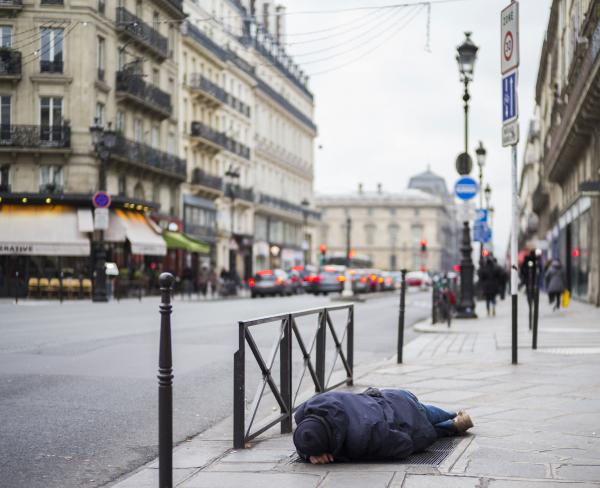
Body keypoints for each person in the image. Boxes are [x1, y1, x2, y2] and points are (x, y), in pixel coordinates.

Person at [293, 388, 473, 464]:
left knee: (426, 431)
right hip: (392, 396)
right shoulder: (313, 405)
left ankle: (452, 425)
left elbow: (404, 446)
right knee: (427, 411)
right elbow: (305, 433)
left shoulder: (358, 438)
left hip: (410, 421)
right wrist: (308, 454)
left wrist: (338, 456)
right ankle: (451, 415)